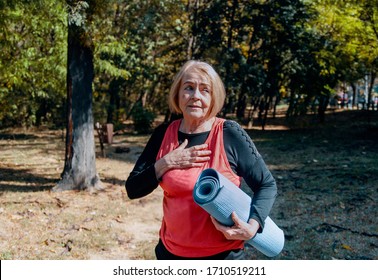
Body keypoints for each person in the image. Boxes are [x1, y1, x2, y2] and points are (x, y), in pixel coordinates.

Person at [125, 60, 277, 260]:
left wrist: (253, 226)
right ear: (178, 94)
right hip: (170, 253)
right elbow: (133, 189)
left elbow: (266, 184)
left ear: (213, 97)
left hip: (223, 257)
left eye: (205, 90)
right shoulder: (163, 134)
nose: (195, 96)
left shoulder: (229, 133)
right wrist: (166, 162)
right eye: (188, 88)